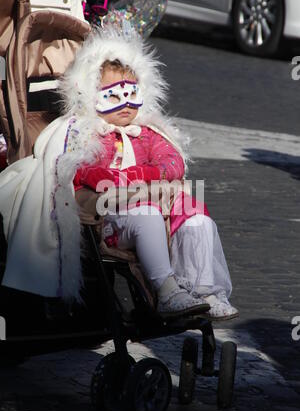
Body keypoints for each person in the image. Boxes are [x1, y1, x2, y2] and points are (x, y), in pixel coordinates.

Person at [0, 26, 238, 320]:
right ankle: (166, 291)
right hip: (110, 219)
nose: (125, 104)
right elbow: (87, 172)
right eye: (113, 96)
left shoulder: (148, 134)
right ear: (90, 95)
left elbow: (172, 161)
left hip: (156, 204)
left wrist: (141, 175)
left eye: (131, 93)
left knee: (196, 215)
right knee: (147, 215)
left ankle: (204, 289)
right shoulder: (84, 135)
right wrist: (135, 182)